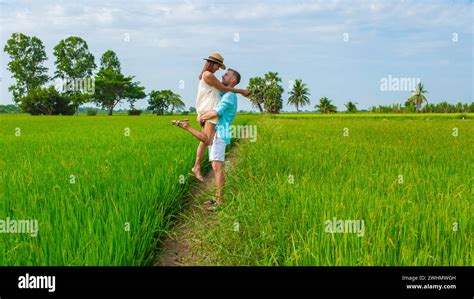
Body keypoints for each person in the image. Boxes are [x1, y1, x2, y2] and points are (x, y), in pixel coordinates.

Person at [172, 53, 249, 182]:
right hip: (208, 110)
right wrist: (242, 91)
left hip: (206, 110)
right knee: (207, 140)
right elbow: (224, 88)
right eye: (218, 66)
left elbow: (224, 90)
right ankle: (185, 126)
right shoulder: (208, 75)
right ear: (212, 64)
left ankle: (196, 167)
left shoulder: (207, 76)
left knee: (204, 142)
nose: (219, 70)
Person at [173, 69, 242, 208]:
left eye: (227, 74)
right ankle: (217, 197)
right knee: (216, 166)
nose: (223, 75)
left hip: (219, 133)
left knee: (217, 167)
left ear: (233, 81)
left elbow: (216, 112)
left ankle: (220, 201)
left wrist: (201, 117)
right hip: (217, 133)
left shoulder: (229, 96)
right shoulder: (225, 93)